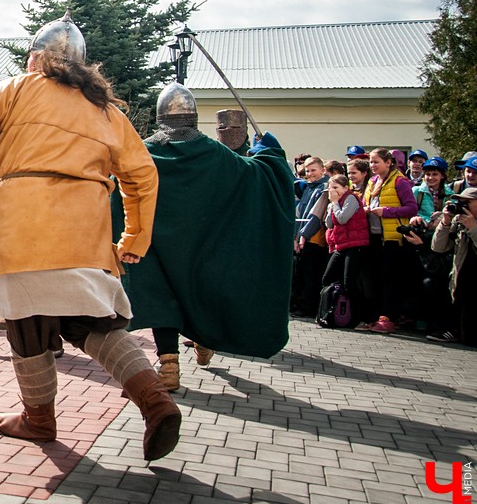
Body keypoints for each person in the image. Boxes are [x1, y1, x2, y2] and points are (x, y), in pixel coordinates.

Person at [0, 12, 180, 462]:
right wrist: (135, 238)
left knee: (28, 322)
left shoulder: (16, 89)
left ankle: (39, 418)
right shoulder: (106, 110)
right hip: (86, 232)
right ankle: (156, 400)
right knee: (93, 321)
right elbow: (143, 176)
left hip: (24, 226)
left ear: (35, 58)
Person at [122, 83, 295, 391]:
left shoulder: (143, 153)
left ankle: (169, 364)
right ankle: (201, 341)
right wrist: (270, 150)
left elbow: (116, 188)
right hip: (201, 251)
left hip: (157, 250)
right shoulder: (217, 155)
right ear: (194, 118)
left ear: (161, 117)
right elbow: (260, 176)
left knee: (163, 299)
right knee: (196, 293)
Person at [362, 148, 418, 334]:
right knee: (374, 279)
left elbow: (411, 208)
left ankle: (390, 318)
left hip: (393, 239)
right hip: (374, 237)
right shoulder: (371, 181)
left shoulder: (400, 181)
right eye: (370, 162)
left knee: (389, 280)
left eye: (376, 161)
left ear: (388, 162)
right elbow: (365, 203)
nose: (372, 165)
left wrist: (386, 212)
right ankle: (376, 316)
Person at [321, 174, 373, 324]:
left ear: (345, 188)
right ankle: (333, 309)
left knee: (349, 283)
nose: (333, 191)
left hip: (355, 245)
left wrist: (336, 203)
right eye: (331, 188)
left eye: (336, 188)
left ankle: (360, 316)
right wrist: (332, 205)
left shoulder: (351, 198)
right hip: (341, 245)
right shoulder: (334, 202)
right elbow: (329, 224)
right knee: (327, 278)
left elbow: (343, 218)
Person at [430, 186, 477, 346]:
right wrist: (445, 222)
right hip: (461, 280)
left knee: (470, 339)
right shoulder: (459, 221)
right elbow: (438, 247)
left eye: (468, 203)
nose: (462, 207)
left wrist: (473, 228)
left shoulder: (470, 224)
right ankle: (454, 329)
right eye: (461, 202)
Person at [293, 157, 330, 317]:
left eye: (313, 170)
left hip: (314, 239)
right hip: (302, 238)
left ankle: (309, 307)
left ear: (322, 170)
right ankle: (301, 304)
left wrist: (303, 235)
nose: (310, 174)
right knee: (301, 274)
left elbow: (316, 216)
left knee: (311, 276)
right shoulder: (308, 188)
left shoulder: (323, 188)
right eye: (307, 171)